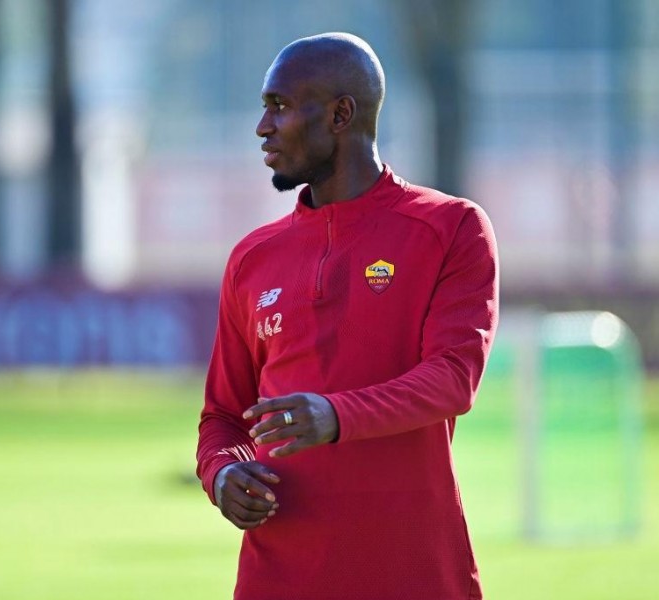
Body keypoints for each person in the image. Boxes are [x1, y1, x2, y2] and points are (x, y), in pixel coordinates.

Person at [196, 32, 499, 600]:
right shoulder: (251, 258)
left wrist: (334, 415)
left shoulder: (451, 228)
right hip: (277, 579)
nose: (263, 127)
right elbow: (223, 419)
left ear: (341, 115)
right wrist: (223, 475)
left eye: (280, 106)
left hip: (414, 575)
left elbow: (454, 379)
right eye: (264, 107)